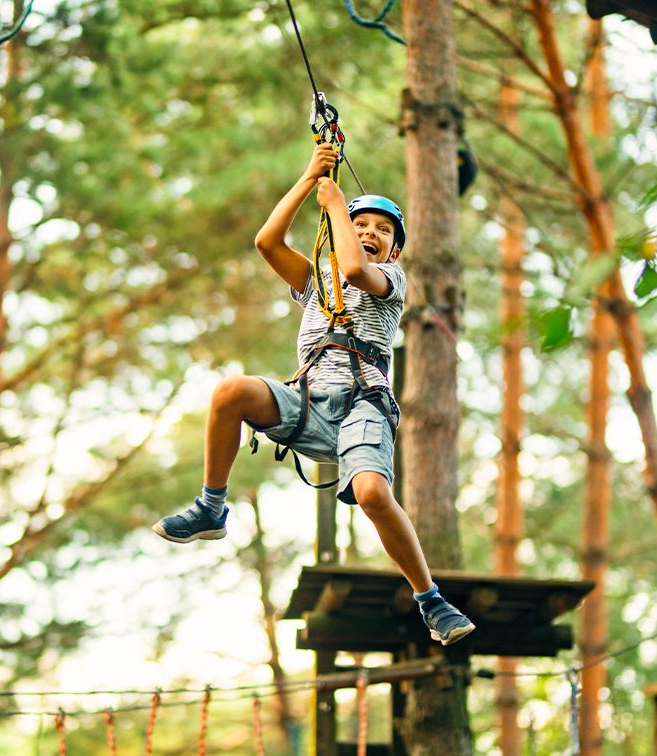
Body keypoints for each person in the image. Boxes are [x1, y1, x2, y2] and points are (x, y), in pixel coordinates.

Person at [152, 141, 475, 646]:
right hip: (307, 400)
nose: (370, 233)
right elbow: (267, 242)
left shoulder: (390, 278)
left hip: (363, 405)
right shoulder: (317, 281)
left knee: (371, 492)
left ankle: (430, 599)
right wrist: (309, 177)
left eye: (382, 231)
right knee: (230, 392)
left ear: (393, 251)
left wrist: (338, 209)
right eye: (362, 225)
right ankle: (212, 506)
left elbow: (352, 269)